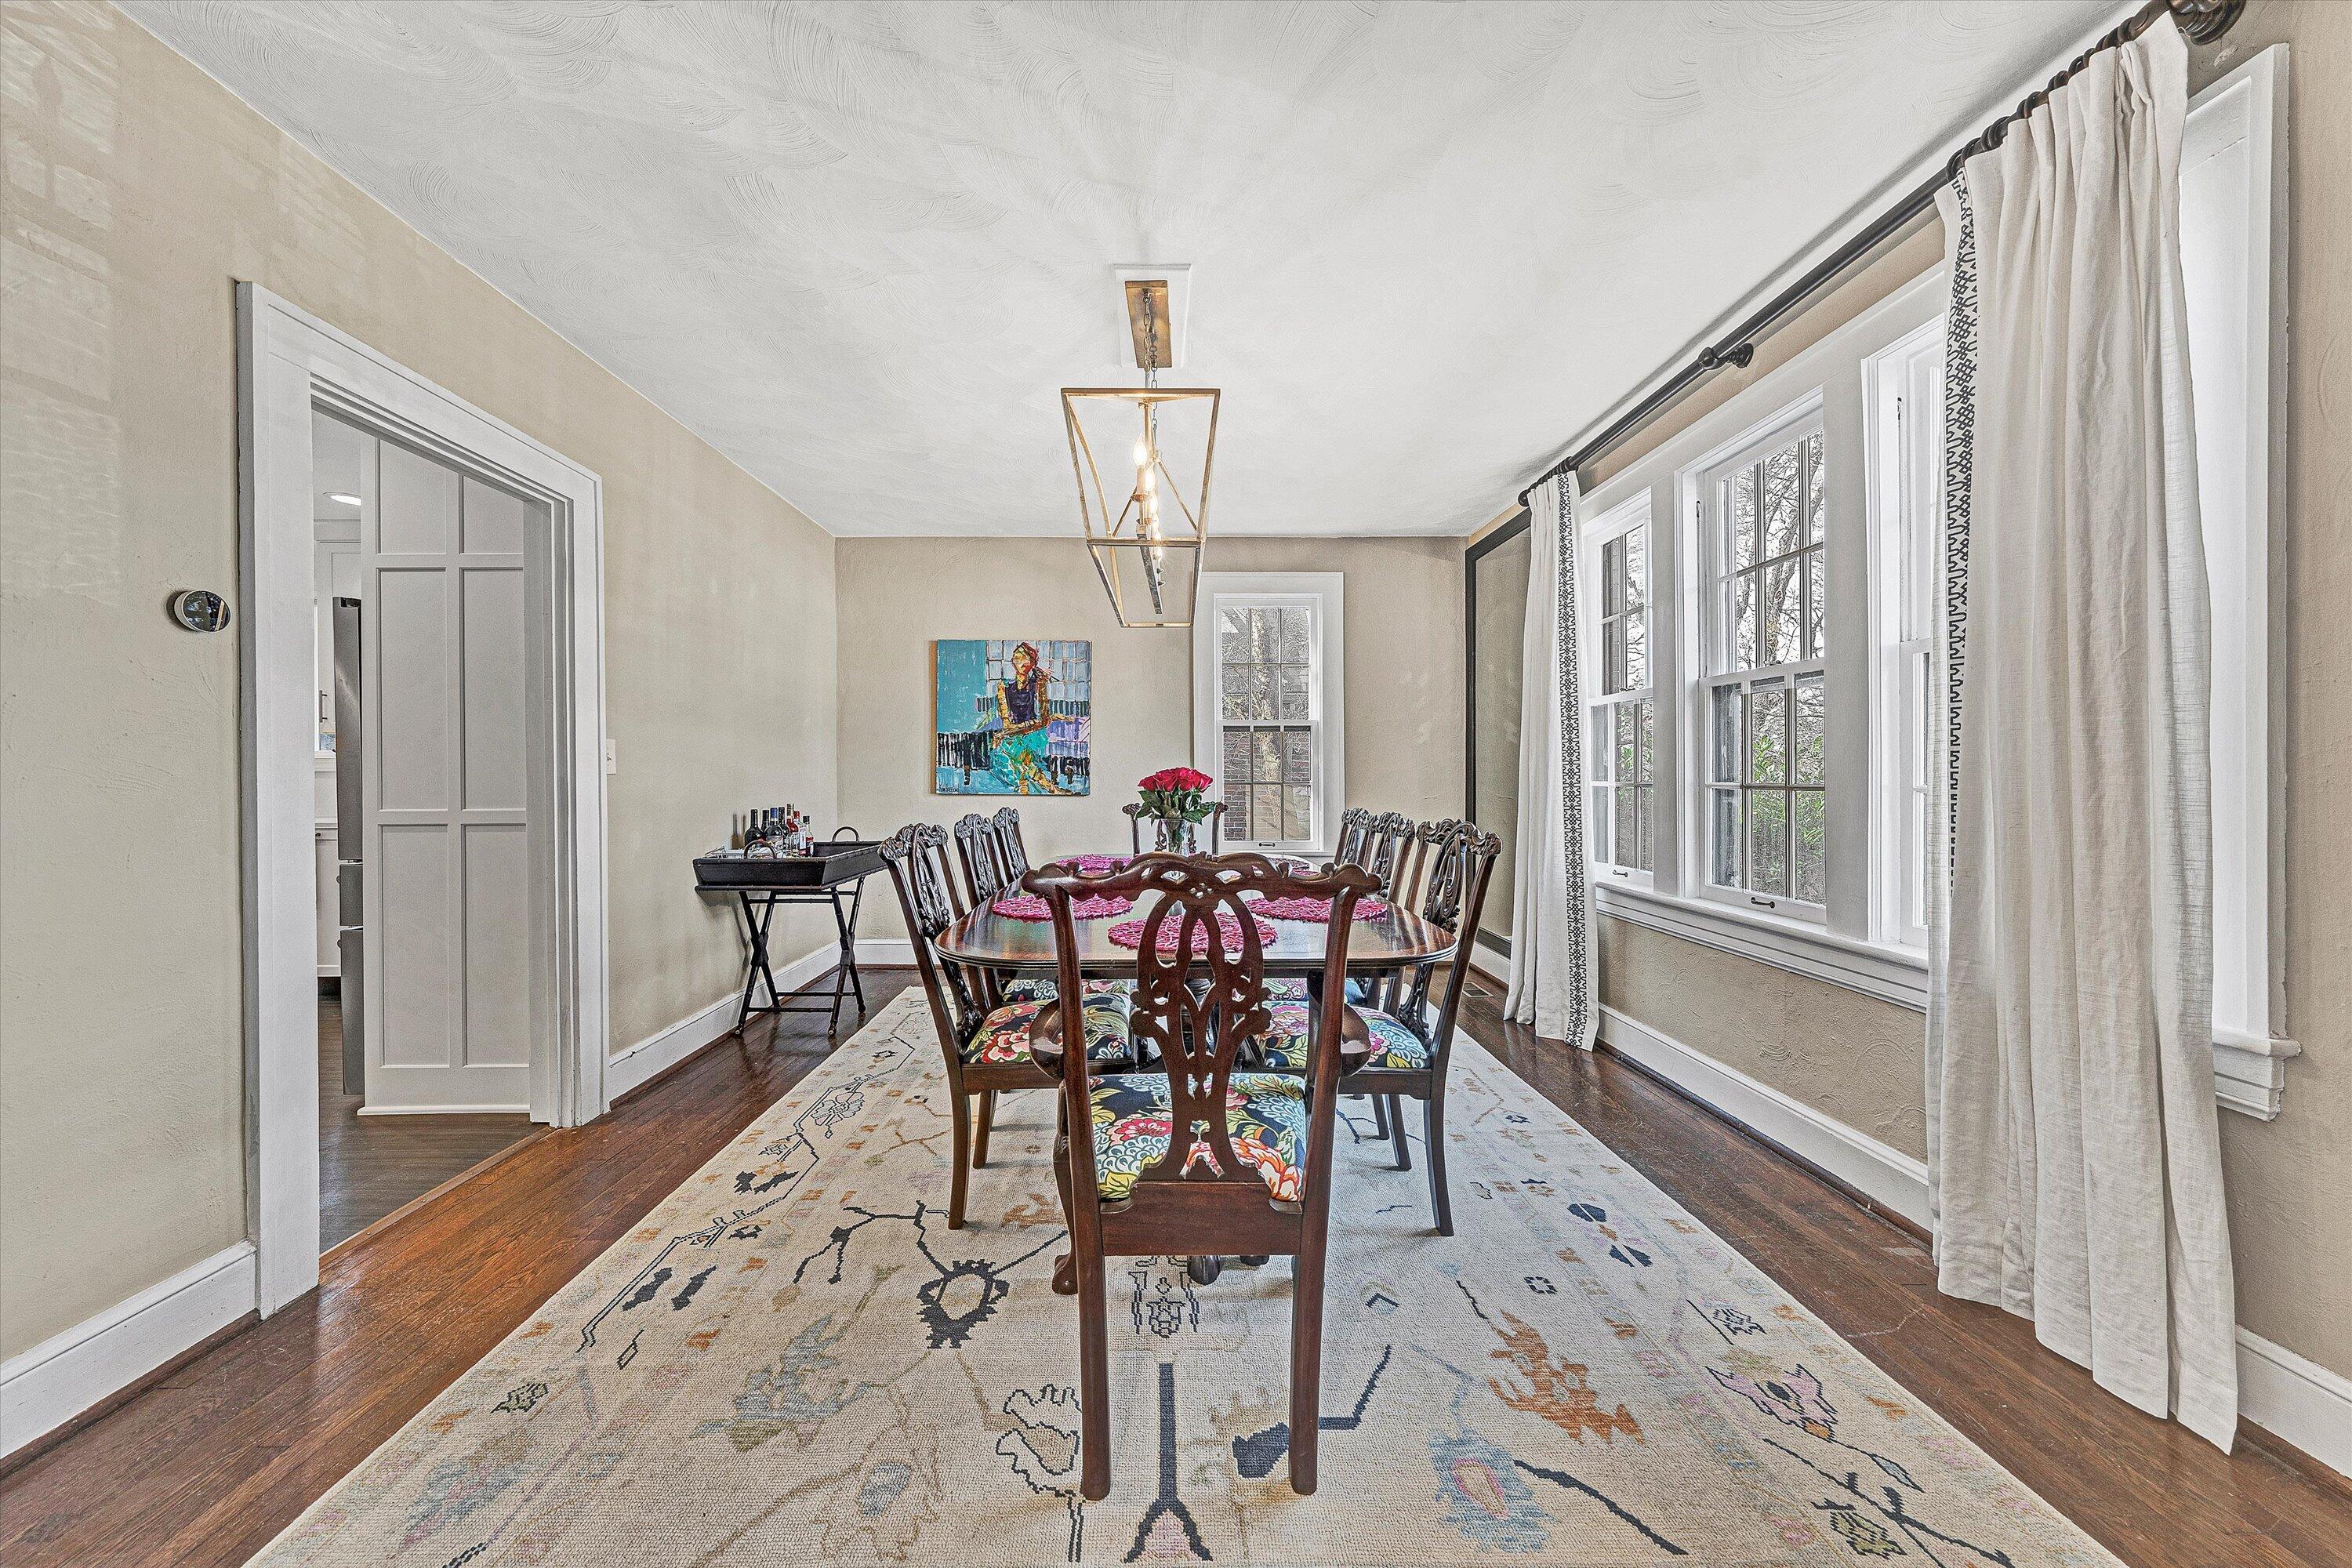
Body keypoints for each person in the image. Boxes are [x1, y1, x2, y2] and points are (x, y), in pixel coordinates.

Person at [989, 642, 1071, 795]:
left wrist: (1007, 733)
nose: (1019, 661)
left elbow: (1043, 719)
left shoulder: (1038, 684)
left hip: (1033, 734)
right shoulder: (1004, 686)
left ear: (1032, 662)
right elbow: (1006, 722)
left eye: (1024, 658)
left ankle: (1032, 789)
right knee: (1017, 755)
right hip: (1014, 734)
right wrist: (1008, 732)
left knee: (1015, 751)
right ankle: (1051, 790)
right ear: (1013, 661)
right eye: (1016, 657)